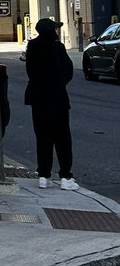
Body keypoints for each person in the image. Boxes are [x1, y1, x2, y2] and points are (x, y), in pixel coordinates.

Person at [24, 18, 78, 190]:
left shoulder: (32, 47)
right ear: (52, 32)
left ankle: (43, 175)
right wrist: (60, 83)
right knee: (62, 138)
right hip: (57, 98)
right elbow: (67, 70)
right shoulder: (57, 47)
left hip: (37, 98)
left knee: (42, 138)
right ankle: (65, 176)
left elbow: (30, 71)